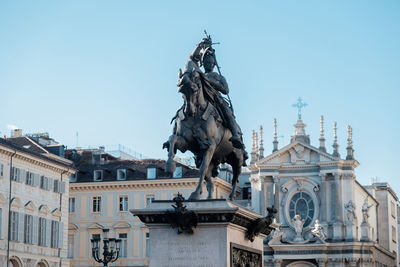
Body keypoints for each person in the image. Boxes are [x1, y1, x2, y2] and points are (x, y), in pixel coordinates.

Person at [189, 38, 245, 149]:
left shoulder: (218, 77)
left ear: (214, 64)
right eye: (207, 62)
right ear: (203, 63)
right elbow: (192, 58)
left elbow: (226, 90)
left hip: (216, 100)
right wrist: (200, 45)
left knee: (227, 112)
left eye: (211, 63)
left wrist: (211, 82)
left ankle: (235, 135)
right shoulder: (199, 74)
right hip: (201, 98)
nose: (209, 64)